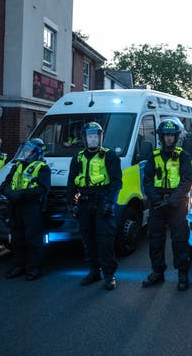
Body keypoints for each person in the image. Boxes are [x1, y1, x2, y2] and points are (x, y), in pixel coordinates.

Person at [67, 122, 122, 291]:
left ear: (100, 138)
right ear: (84, 139)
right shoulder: (78, 157)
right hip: (84, 203)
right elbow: (71, 183)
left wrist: (109, 204)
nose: (93, 139)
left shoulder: (109, 156)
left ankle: (109, 275)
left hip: (102, 202)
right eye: (90, 136)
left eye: (95, 136)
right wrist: (71, 203)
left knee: (105, 240)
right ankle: (94, 271)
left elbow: (116, 182)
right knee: (87, 238)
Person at [141, 118, 192, 291]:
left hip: (176, 205)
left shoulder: (183, 156)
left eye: (172, 135)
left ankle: (183, 275)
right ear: (161, 137)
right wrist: (157, 200)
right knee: (155, 239)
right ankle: (157, 272)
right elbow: (147, 181)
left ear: (176, 136)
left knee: (179, 240)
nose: (169, 138)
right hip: (157, 204)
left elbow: (186, 181)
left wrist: (171, 202)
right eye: (166, 135)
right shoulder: (153, 157)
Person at [0, 138, 50, 280]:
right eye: (25, 150)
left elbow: (43, 189)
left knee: (33, 239)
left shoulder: (43, 168)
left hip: (32, 208)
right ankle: (18, 266)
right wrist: (10, 193)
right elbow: (4, 185)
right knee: (17, 238)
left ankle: (34, 269)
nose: (25, 153)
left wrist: (21, 194)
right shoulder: (17, 166)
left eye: (28, 150)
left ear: (36, 153)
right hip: (15, 207)